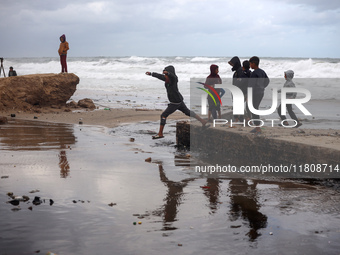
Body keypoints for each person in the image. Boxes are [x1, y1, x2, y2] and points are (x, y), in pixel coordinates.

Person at [146, 65, 209, 139]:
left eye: (166, 74)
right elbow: (159, 76)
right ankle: (202, 121)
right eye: (165, 75)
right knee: (187, 112)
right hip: (179, 100)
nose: (165, 76)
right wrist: (151, 74)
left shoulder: (174, 79)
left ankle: (160, 134)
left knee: (163, 115)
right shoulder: (166, 79)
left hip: (175, 102)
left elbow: (173, 76)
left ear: (170, 73)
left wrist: (168, 73)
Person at [248, 56, 270, 134]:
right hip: (261, 92)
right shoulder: (262, 71)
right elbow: (267, 81)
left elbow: (251, 85)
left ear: (254, 63)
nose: (250, 65)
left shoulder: (254, 73)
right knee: (255, 108)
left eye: (250, 64)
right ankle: (257, 127)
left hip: (255, 93)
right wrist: (262, 87)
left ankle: (258, 128)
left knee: (254, 109)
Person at [228, 56, 248, 122]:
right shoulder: (236, 72)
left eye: (232, 64)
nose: (232, 66)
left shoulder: (241, 72)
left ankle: (239, 119)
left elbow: (243, 82)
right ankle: (237, 119)